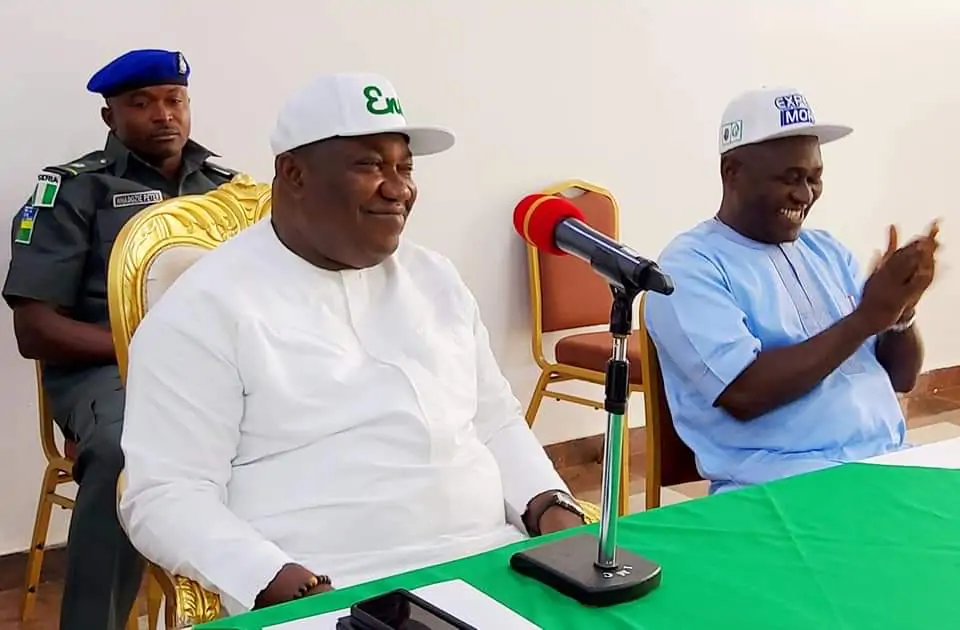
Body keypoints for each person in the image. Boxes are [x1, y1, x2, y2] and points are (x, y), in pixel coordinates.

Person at [118, 72, 586, 616]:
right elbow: (166, 494)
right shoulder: (204, 308)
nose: (398, 188)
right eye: (370, 165)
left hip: (494, 562)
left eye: (404, 168)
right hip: (343, 588)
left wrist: (552, 508)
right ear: (294, 174)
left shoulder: (435, 278)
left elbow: (496, 422)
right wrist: (286, 586)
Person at [2, 49, 239, 630]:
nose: (164, 114)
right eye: (142, 103)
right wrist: (149, 348)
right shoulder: (73, 190)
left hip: (218, 368)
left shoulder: (228, 190)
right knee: (125, 448)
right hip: (107, 374)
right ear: (111, 116)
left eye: (174, 100)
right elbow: (35, 329)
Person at [644, 86, 939, 495]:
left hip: (888, 464)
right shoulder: (688, 267)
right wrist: (867, 318)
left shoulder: (827, 251)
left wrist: (901, 313)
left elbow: (901, 378)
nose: (805, 195)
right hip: (786, 488)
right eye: (790, 178)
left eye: (815, 178)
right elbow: (744, 393)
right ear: (732, 172)